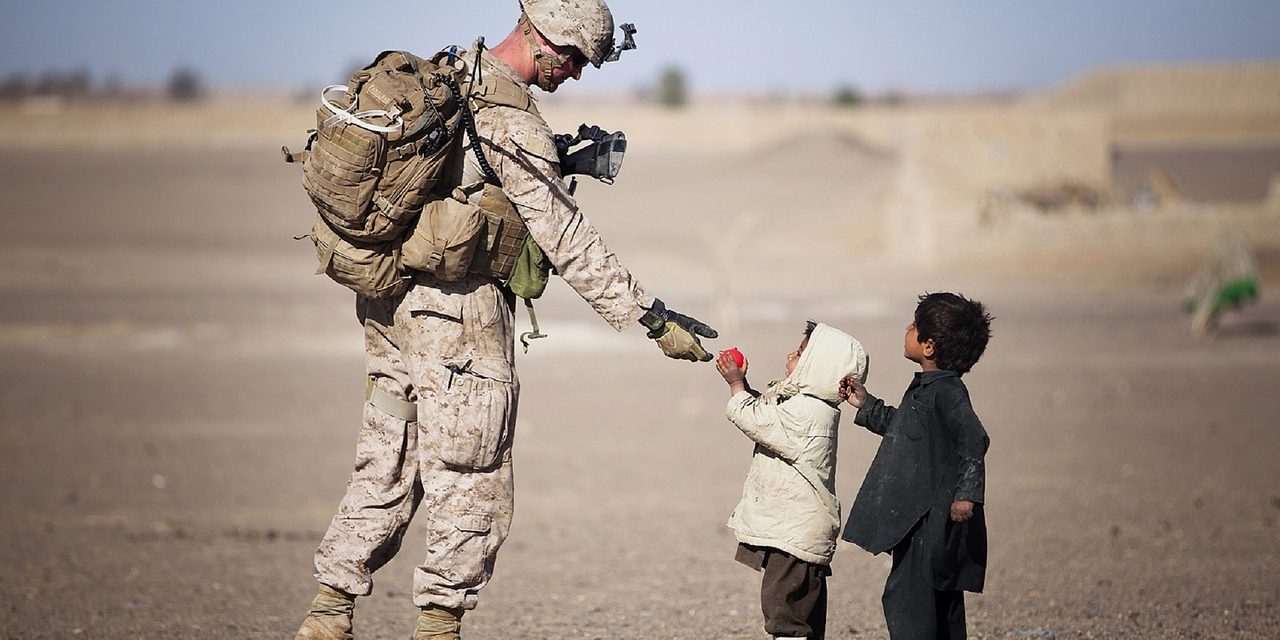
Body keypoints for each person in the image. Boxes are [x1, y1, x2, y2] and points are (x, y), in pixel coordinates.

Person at [291, 2, 717, 639]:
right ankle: (439, 627)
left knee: (389, 458)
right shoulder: (509, 117)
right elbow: (565, 235)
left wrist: (553, 163)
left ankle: (328, 613)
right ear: (542, 40)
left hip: (390, 306)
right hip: (458, 319)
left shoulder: (452, 74)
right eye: (572, 60)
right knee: (471, 473)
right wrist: (649, 318)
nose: (573, 76)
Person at [840, 292, 993, 640]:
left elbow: (974, 438)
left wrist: (967, 494)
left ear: (928, 346)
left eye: (915, 325)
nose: (907, 328)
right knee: (939, 598)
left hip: (931, 520)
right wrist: (866, 404)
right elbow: (906, 432)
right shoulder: (929, 389)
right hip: (921, 519)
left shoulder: (949, 393)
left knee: (910, 601)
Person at [715, 322, 869, 640]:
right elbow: (771, 411)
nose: (790, 355)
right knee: (801, 610)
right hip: (798, 530)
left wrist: (735, 384)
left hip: (795, 535)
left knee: (784, 611)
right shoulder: (808, 406)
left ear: (819, 367)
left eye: (800, 353)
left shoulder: (808, 413)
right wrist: (745, 385)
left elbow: (756, 419)